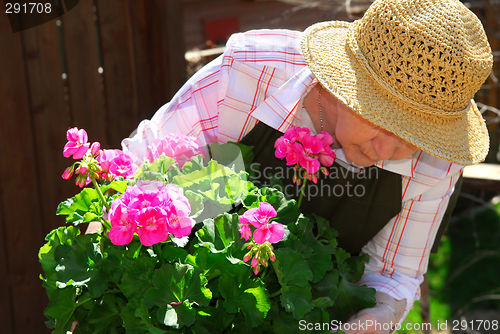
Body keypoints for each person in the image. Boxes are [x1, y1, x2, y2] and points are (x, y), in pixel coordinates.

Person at [122, 0, 493, 332]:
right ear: (344, 84)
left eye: (412, 140)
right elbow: (140, 176)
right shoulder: (244, 78)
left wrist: (376, 319)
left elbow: (393, 276)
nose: (387, 150)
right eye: (385, 123)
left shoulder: (439, 159)